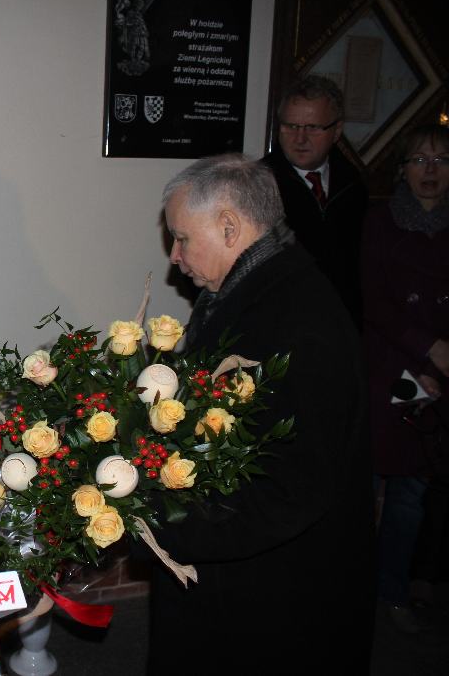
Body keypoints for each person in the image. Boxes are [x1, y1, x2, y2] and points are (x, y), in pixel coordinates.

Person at [148, 154, 374, 673]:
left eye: (182, 238)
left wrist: (161, 523)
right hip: (240, 578)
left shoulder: (299, 323)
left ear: (229, 227)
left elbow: (290, 488)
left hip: (277, 596)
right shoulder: (249, 291)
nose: (175, 257)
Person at [362, 124, 449, 633]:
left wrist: (438, 366)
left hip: (439, 379)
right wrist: (426, 352)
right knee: (365, 489)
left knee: (411, 498)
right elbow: (373, 301)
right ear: (402, 170)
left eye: (441, 159)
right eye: (420, 159)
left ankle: (392, 590)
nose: (430, 170)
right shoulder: (381, 222)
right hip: (387, 370)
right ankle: (349, 590)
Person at [262, 75, 368, 328]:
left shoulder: (353, 185)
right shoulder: (256, 185)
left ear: (337, 131)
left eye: (312, 128)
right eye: (290, 126)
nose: (300, 138)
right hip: (279, 327)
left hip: (340, 326)